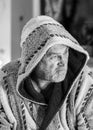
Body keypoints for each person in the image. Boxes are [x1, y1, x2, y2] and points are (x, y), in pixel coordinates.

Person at [0, 15, 93, 130]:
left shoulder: (85, 83)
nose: (63, 62)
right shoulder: (5, 82)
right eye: (54, 57)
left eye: (65, 53)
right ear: (33, 61)